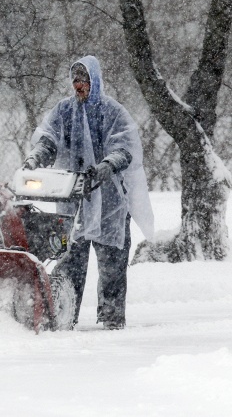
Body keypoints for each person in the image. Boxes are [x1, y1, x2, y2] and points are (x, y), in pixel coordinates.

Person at [23, 55, 154, 330]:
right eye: (75, 80)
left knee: (112, 264)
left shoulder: (113, 112)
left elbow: (126, 147)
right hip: (73, 200)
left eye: (83, 80)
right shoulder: (64, 111)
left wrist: (107, 166)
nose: (78, 85)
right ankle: (63, 314)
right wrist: (36, 157)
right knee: (70, 259)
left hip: (110, 203)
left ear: (94, 81)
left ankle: (112, 318)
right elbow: (49, 139)